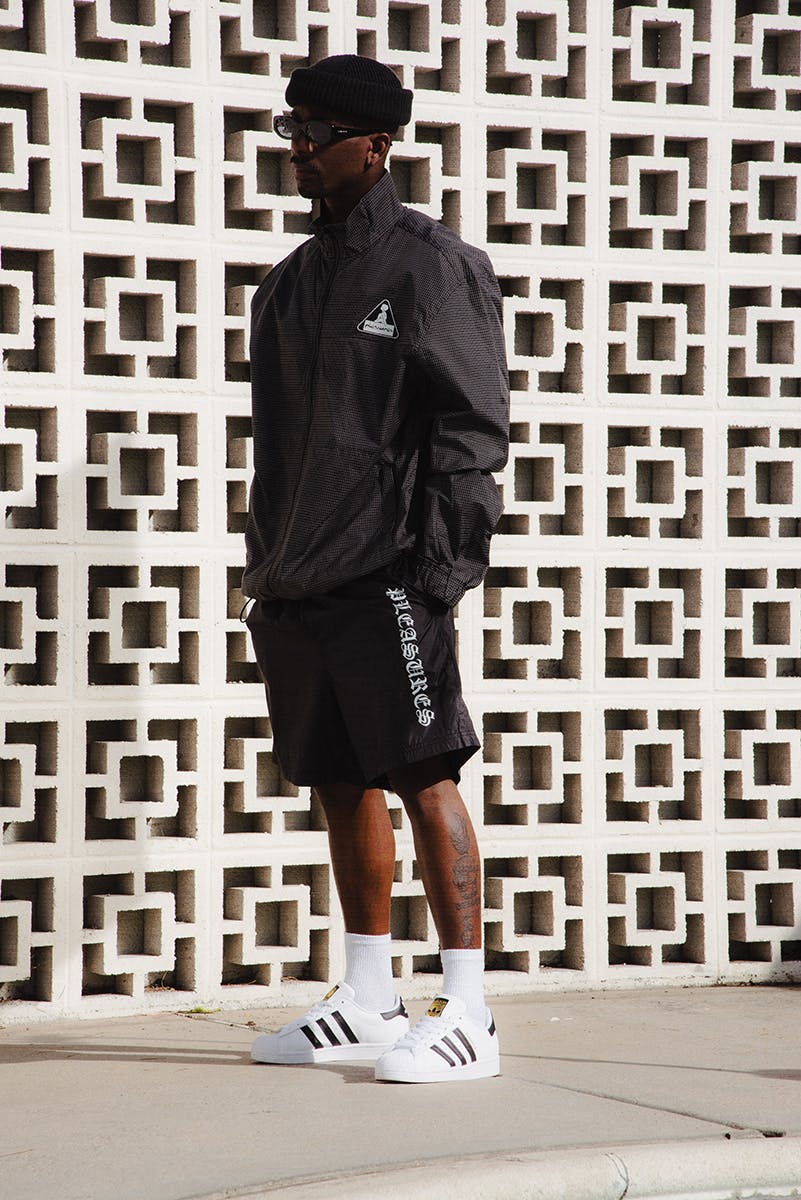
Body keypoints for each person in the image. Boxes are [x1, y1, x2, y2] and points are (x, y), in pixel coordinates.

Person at [242, 54, 510, 1084]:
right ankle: (366, 997)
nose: (298, 149)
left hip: (392, 574)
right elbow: (277, 447)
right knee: (338, 780)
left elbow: (472, 430)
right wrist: (266, 566)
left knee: (424, 776)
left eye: (317, 132)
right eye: (291, 129)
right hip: (297, 584)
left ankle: (469, 1012)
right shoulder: (287, 285)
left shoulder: (430, 267)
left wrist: (438, 576)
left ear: (376, 145)